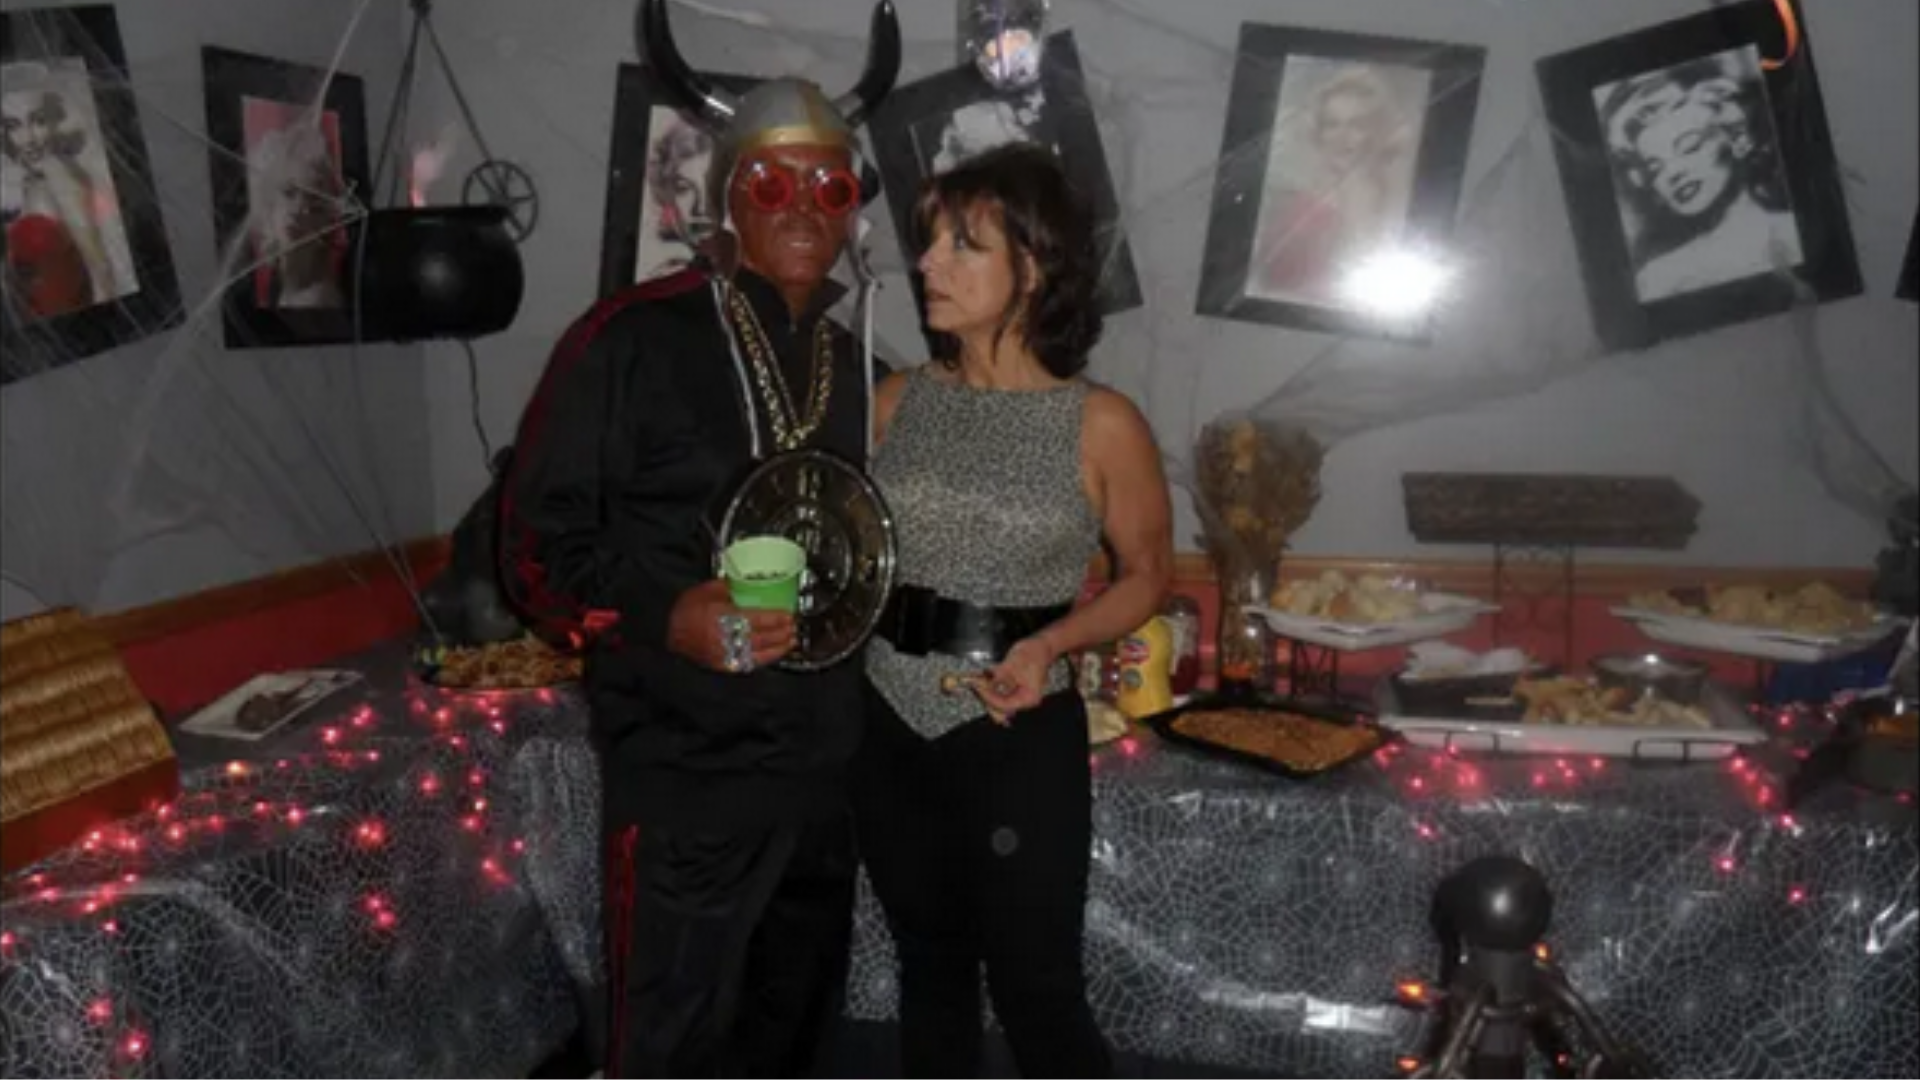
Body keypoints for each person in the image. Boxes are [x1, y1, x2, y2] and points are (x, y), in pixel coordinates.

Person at [495, 0, 900, 1075]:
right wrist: (660, 612)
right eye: (773, 183)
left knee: (790, 1049)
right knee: (667, 1053)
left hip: (821, 785)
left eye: (831, 187)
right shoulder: (629, 340)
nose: (804, 207)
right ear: (728, 197)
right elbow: (532, 550)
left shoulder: (861, 370)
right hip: (686, 782)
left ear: (854, 211)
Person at [854, 143, 1174, 1078]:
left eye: (963, 244)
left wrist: (1051, 646)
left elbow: (1148, 576)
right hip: (886, 721)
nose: (927, 264)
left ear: (1032, 268)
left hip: (1018, 726)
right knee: (930, 972)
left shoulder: (1101, 422)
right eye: (929, 242)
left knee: (1038, 989)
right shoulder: (892, 402)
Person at [1598, 51, 1802, 302]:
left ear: (1738, 138)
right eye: (1656, 168)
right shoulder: (1657, 281)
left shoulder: (1795, 235)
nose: (1673, 173)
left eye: (1689, 146)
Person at [1255, 64, 1416, 305]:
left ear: (1376, 131)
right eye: (1332, 124)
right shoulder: (1292, 206)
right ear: (1319, 133)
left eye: (1357, 125)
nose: (1342, 137)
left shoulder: (1395, 204)